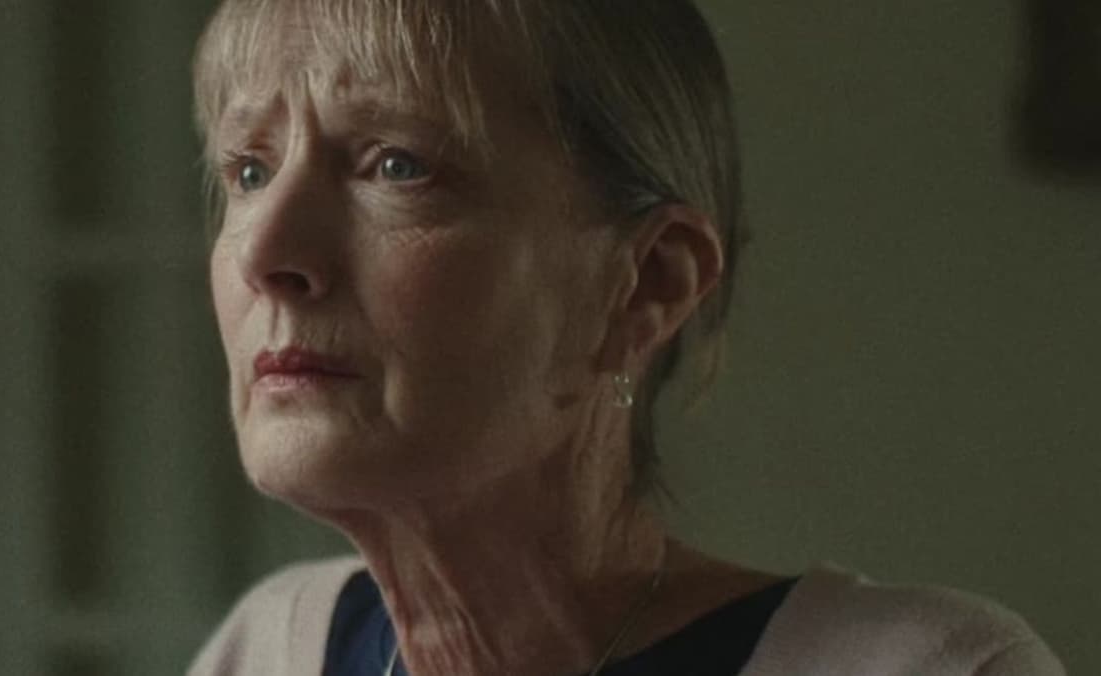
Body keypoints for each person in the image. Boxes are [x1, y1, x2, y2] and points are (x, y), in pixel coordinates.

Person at [184, 0, 1065, 674]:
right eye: (250, 171)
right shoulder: (264, 651)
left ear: (646, 285)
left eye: (396, 165)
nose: (264, 253)